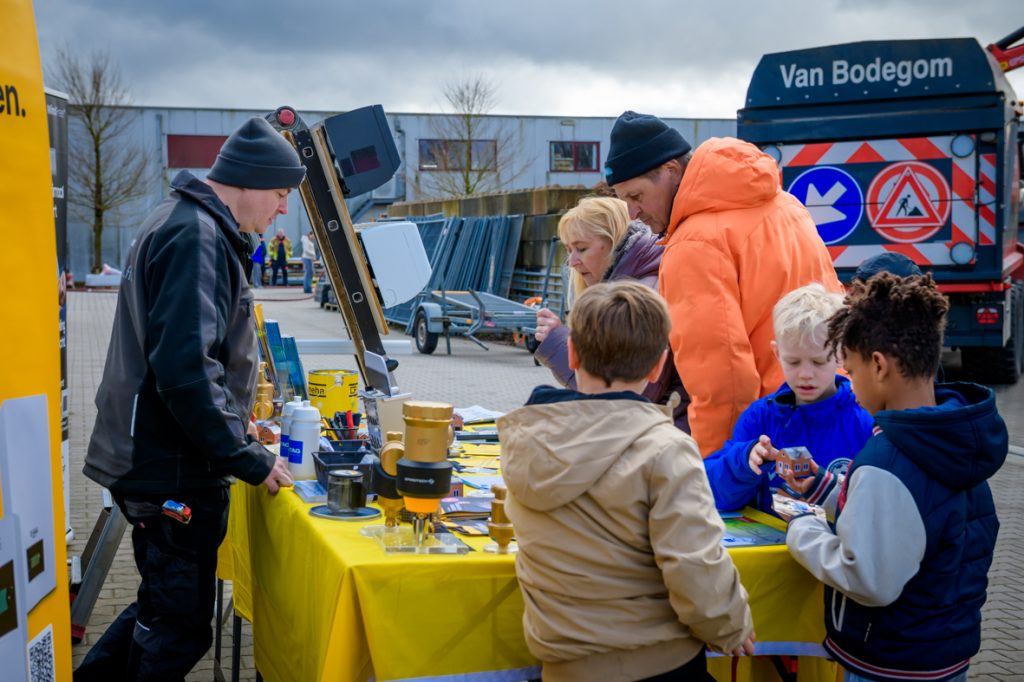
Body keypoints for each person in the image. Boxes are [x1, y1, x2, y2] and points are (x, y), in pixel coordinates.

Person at [76, 116, 303, 681]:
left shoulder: (184, 222)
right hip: (169, 471)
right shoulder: (196, 234)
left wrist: (237, 428)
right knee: (178, 630)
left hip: (160, 462)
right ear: (249, 182)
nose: (281, 211)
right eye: (279, 195)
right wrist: (246, 456)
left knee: (161, 613)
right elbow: (185, 370)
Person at [500, 280, 755, 682]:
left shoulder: (526, 442)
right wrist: (731, 627)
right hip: (658, 663)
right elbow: (695, 565)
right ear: (659, 365)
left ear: (571, 353)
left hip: (564, 666)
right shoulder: (666, 450)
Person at [780, 273, 1006, 682]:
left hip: (890, 665)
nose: (850, 380)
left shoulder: (887, 461)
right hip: (944, 655)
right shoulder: (954, 438)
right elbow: (920, 518)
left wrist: (805, 527)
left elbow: (869, 578)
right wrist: (825, 489)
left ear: (879, 365)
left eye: (850, 369)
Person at [605, 110, 842, 456]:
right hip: (832, 407)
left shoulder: (694, 244)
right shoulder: (787, 205)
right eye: (623, 199)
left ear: (671, 171)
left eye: (637, 197)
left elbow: (723, 380)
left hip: (770, 438)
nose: (632, 214)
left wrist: (717, 471)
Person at [704, 284, 874, 513]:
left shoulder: (865, 421)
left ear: (841, 354)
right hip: (773, 548)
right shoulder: (761, 418)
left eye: (818, 362)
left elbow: (878, 508)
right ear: (777, 354)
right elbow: (710, 493)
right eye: (793, 362)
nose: (805, 374)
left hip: (838, 548)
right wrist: (744, 463)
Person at [533, 196, 689, 431]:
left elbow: (625, 393)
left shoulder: (640, 293)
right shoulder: (641, 279)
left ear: (614, 241)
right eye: (569, 250)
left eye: (582, 248)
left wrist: (557, 342)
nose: (573, 261)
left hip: (655, 440)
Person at [300, 229, 317, 294]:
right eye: (313, 236)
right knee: (308, 273)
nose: (314, 238)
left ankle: (308, 287)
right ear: (310, 234)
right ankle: (307, 288)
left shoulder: (308, 241)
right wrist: (314, 255)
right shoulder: (306, 240)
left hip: (309, 258)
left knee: (310, 273)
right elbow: (306, 250)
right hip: (307, 258)